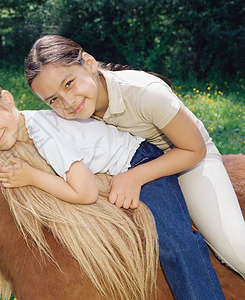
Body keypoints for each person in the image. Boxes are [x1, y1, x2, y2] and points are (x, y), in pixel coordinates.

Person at [0, 74, 224, 300]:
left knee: (176, 244)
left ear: (7, 100)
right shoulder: (24, 123)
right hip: (115, 167)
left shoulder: (44, 134)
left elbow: (85, 193)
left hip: (140, 162)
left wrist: (31, 177)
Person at [24, 34, 245, 280]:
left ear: (88, 63)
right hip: (134, 160)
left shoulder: (145, 93)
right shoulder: (72, 112)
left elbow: (194, 150)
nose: (68, 102)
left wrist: (134, 177)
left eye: (69, 83)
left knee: (234, 248)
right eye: (53, 99)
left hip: (185, 160)